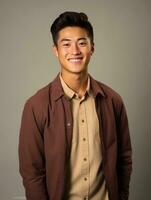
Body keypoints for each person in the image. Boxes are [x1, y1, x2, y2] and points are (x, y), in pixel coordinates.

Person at [19, 11, 132, 200]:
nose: (75, 51)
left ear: (92, 48)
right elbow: (32, 173)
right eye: (66, 44)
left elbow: (124, 159)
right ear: (55, 50)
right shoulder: (36, 106)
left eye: (82, 43)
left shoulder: (113, 101)